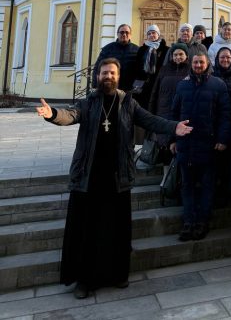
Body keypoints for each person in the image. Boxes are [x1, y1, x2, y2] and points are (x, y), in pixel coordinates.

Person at [36, 58, 192, 299]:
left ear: (118, 76)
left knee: (116, 230)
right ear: (97, 76)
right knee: (88, 230)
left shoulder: (127, 102)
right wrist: (52, 113)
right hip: (89, 177)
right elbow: (70, 115)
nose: (108, 76)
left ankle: (117, 274)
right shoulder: (88, 101)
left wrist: (173, 127)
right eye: (104, 73)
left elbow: (149, 120)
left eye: (112, 73)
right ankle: (84, 281)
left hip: (117, 177)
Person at [169, 53, 231, 242]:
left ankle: (202, 222)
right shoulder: (182, 85)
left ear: (207, 64)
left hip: (208, 144)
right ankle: (188, 222)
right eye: (195, 62)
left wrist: (222, 138)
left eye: (201, 62)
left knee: (207, 186)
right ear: (191, 64)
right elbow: (174, 113)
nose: (197, 65)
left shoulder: (218, 85)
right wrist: (172, 139)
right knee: (187, 186)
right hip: (186, 144)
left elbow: (225, 114)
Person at [148, 42, 190, 161]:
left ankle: (179, 177)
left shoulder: (190, 70)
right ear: (171, 56)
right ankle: (166, 177)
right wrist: (151, 113)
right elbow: (155, 92)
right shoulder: (164, 69)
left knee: (180, 146)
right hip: (164, 112)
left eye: (181, 54)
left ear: (186, 55)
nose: (178, 57)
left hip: (182, 113)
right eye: (175, 54)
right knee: (165, 148)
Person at [92, 24, 139, 91]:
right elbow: (98, 67)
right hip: (111, 87)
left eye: (127, 32)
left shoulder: (137, 50)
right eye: (122, 32)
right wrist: (95, 85)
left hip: (129, 88)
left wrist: (137, 87)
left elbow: (140, 71)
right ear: (117, 34)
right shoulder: (107, 49)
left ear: (130, 35)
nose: (124, 34)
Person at [134, 24, 169, 110]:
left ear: (158, 34)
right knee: (142, 104)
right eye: (149, 34)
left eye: (153, 33)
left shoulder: (166, 49)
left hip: (158, 80)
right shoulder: (142, 49)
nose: (151, 35)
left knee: (156, 104)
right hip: (142, 82)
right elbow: (137, 65)